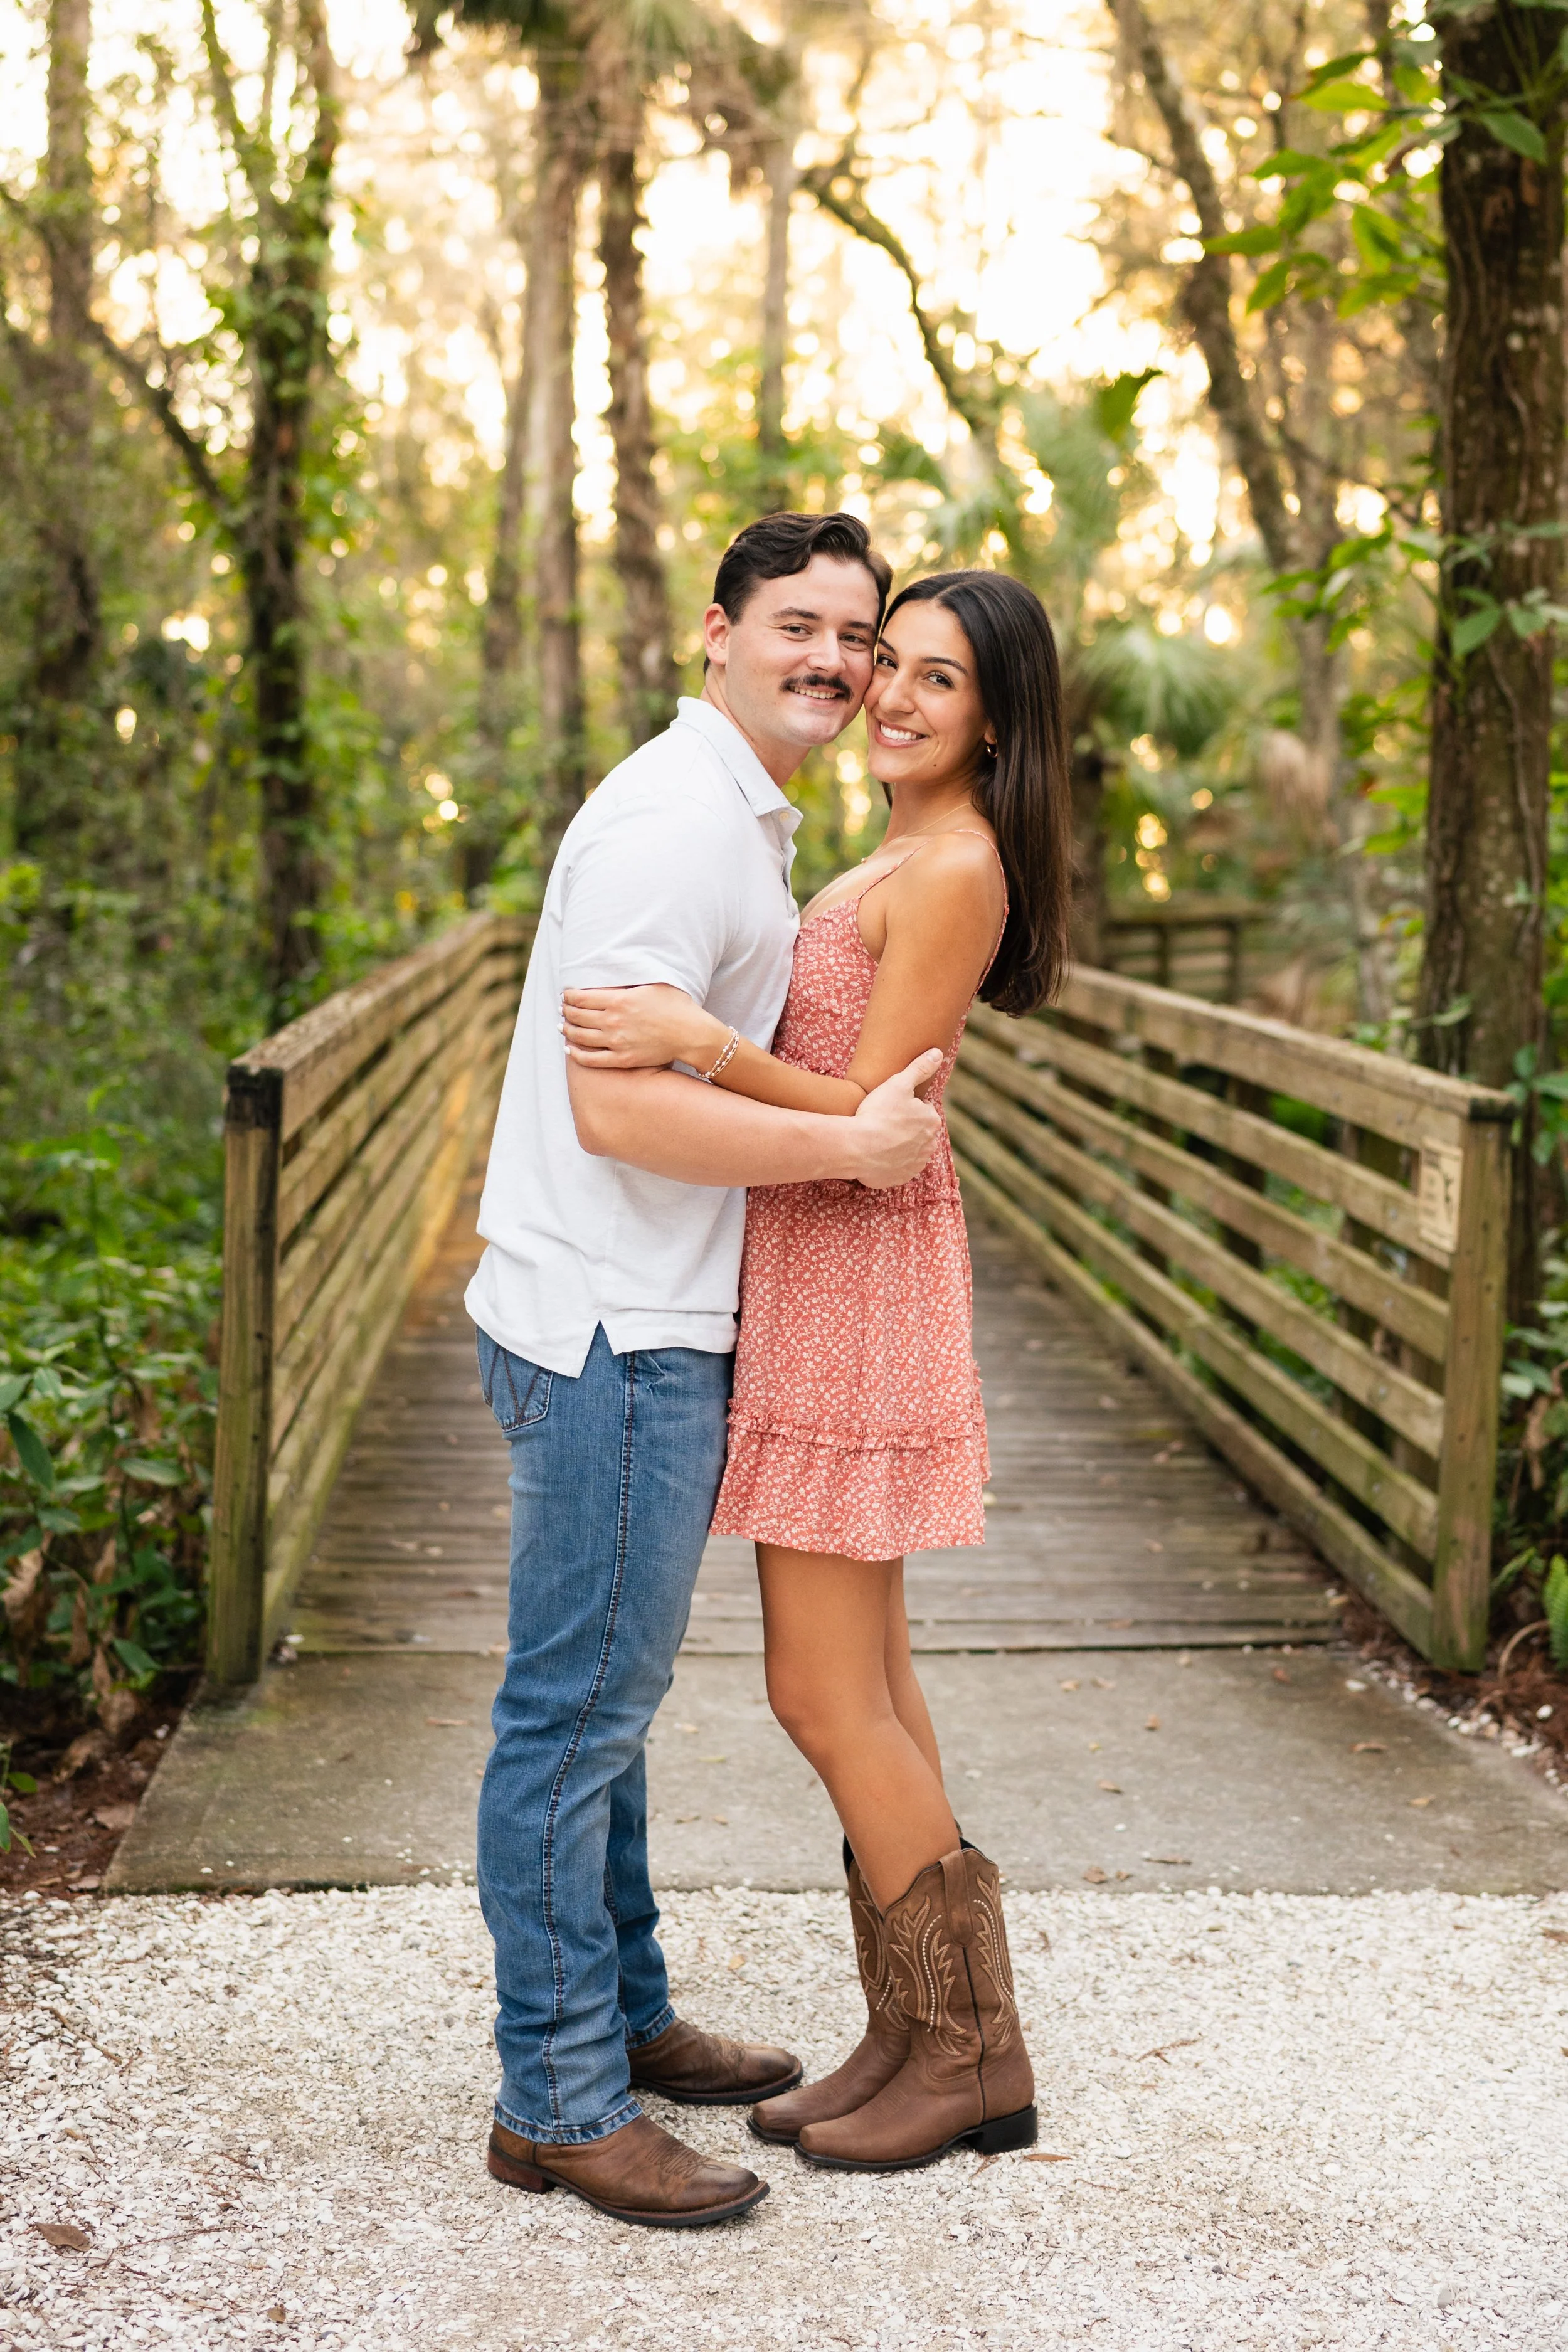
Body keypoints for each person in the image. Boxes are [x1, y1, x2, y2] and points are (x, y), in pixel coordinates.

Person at [465, 511, 946, 2230]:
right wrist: (847, 1157)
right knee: (574, 1713)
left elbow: (681, 1066)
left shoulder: (733, 814)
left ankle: (625, 2007)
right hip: (612, 1324)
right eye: (798, 623)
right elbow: (622, 1104)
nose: (831, 655)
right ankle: (558, 2096)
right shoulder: (677, 821)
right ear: (718, 633)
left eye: (856, 632)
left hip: (641, 1311)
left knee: (610, 1702)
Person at [561, 568, 1074, 2173]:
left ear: (995, 720)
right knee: (880, 1684)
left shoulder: (956, 868)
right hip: (821, 1264)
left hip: (859, 1271)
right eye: (886, 662)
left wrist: (697, 1046)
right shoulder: (894, 845)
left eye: (937, 679)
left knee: (817, 1687)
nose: (893, 694)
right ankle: (914, 2032)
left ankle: (976, 2056)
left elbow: (864, 1114)